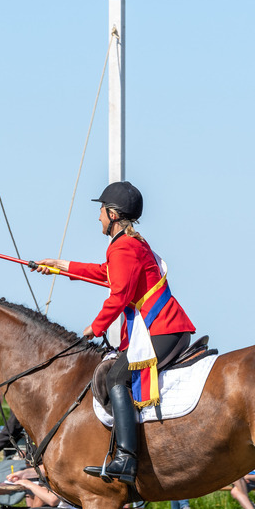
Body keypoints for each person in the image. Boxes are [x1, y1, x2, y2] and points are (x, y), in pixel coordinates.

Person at [33, 181, 196, 485]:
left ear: (112, 213)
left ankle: (126, 459)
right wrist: (60, 266)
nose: (97, 217)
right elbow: (105, 274)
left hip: (160, 330)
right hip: (162, 328)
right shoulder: (131, 244)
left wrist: (94, 327)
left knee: (114, 376)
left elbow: (118, 294)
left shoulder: (123, 246)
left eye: (100, 211)